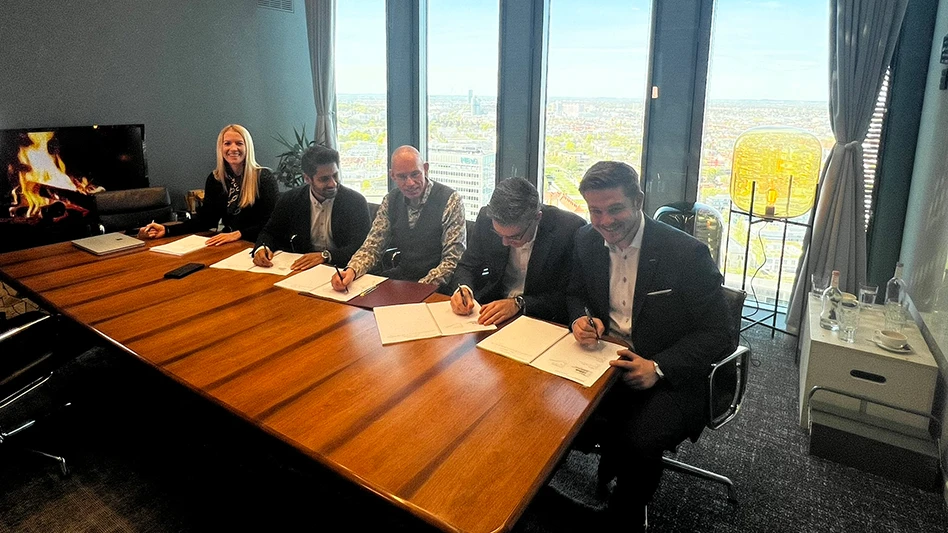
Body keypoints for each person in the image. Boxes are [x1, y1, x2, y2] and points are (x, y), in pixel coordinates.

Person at [566, 161, 736, 532]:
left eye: (615, 209)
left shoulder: (685, 254)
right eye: (595, 211)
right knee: (551, 408)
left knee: (637, 440)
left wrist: (658, 367)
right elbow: (576, 293)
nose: (604, 221)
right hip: (606, 358)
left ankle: (622, 516)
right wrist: (581, 318)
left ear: (639, 200)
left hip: (670, 370)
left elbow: (720, 332)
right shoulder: (585, 240)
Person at [450, 177, 584, 325]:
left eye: (514, 236)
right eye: (499, 234)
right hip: (491, 311)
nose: (505, 242)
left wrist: (519, 304)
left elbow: (568, 296)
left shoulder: (569, 230)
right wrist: (463, 289)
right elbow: (467, 266)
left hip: (540, 319)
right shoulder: (486, 218)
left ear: (537, 217)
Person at [331, 145, 465, 291]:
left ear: (425, 169)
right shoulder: (391, 200)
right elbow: (373, 246)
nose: (410, 183)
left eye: (415, 174)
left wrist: (419, 288)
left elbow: (452, 260)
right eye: (402, 176)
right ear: (392, 175)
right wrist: (351, 271)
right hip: (403, 277)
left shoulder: (451, 200)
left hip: (439, 286)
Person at [139, 124, 278, 245]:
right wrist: (167, 230)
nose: (233, 148)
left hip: (257, 244)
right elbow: (206, 220)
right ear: (220, 148)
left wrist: (238, 234)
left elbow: (272, 222)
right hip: (229, 242)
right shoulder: (216, 179)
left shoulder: (263, 177)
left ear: (248, 147)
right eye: (227, 143)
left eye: (239, 143)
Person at [252, 145, 371, 271]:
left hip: (343, 269)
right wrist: (262, 248)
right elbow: (270, 232)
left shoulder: (355, 202)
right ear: (307, 179)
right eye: (324, 179)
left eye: (335, 175)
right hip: (301, 269)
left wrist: (325, 256)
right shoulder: (290, 200)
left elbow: (361, 246)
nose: (333, 183)